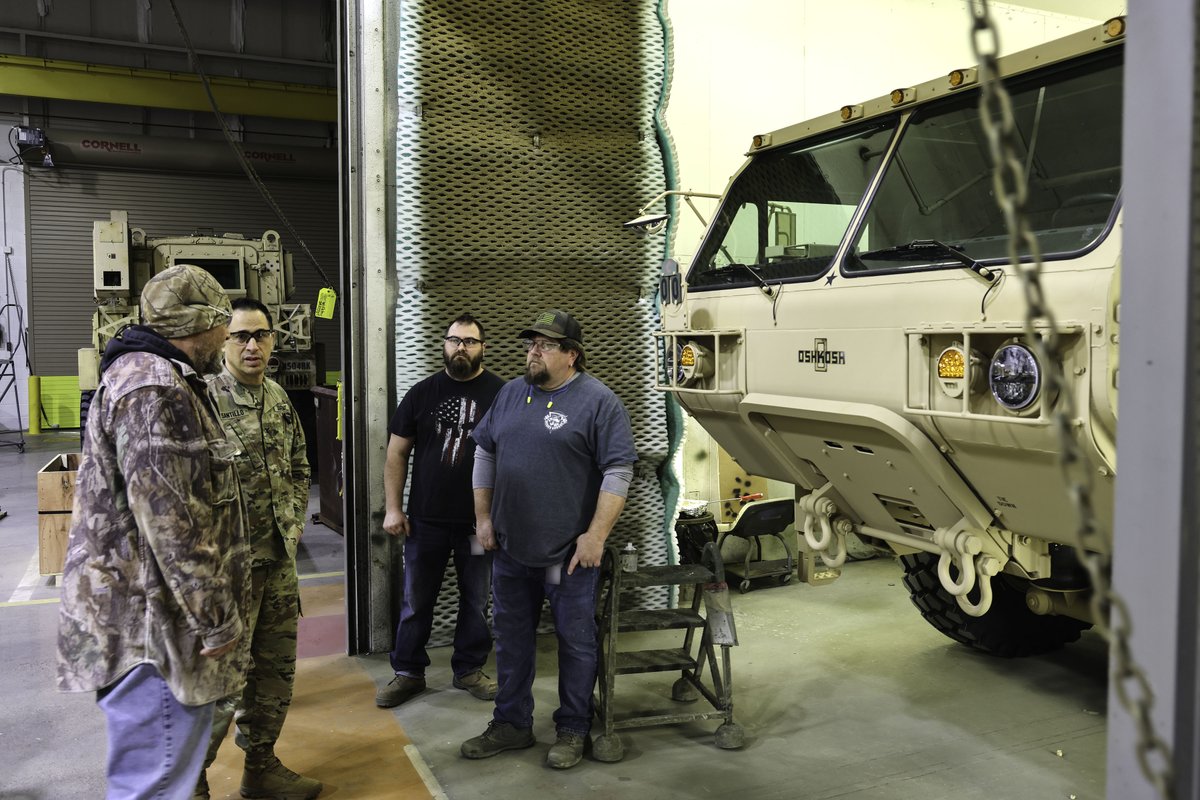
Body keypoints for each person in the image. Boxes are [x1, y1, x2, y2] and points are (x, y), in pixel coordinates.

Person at [58, 264, 249, 800]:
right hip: (154, 633)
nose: (227, 339)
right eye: (224, 326)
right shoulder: (154, 386)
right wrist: (214, 621)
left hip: (153, 621)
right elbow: (172, 521)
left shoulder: (148, 375)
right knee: (156, 784)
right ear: (204, 323)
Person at [461, 309, 637, 770]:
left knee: (575, 641)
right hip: (510, 548)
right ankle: (512, 724)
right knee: (512, 638)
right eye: (530, 343)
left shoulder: (599, 401)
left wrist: (595, 536)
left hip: (569, 555)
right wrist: (483, 518)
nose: (532, 351)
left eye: (545, 345)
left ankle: (573, 727)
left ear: (572, 355)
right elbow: (485, 452)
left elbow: (619, 470)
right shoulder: (510, 394)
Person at [198, 298, 321, 799]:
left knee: (274, 674)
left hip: (278, 565)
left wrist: (291, 529)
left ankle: (261, 768)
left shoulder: (276, 397)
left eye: (262, 336)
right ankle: (190, 782)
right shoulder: (203, 401)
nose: (253, 346)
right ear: (224, 342)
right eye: (241, 336)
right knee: (219, 687)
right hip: (228, 575)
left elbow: (298, 467)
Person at [376, 313, 505, 708]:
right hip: (425, 521)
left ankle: (468, 669)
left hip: (478, 525)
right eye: (453, 340)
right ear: (444, 345)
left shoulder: (502, 394)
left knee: (477, 600)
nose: (460, 348)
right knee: (416, 601)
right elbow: (397, 453)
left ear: (483, 347)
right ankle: (408, 673)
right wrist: (394, 509)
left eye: (469, 341)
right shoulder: (421, 393)